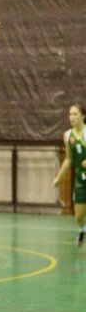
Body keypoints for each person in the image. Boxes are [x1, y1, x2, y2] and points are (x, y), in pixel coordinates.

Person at [53, 103, 86, 248]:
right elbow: (69, 159)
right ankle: (82, 229)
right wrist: (58, 177)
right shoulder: (67, 136)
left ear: (83, 116)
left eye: (75, 114)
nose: (72, 117)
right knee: (78, 216)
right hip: (80, 180)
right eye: (70, 114)